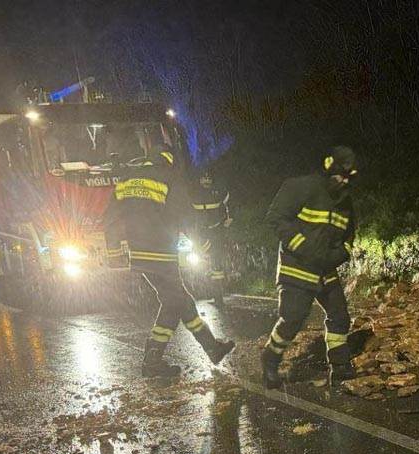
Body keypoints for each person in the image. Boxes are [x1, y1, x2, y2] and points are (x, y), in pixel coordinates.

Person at [111, 137, 234, 378]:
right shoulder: (169, 177)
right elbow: (184, 215)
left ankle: (212, 348)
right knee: (174, 301)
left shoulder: (125, 179)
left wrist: (115, 251)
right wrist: (202, 242)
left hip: (138, 254)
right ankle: (153, 360)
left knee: (179, 300)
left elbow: (111, 217)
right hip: (162, 252)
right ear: (168, 160)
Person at [260, 146, 358, 389]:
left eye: (347, 178)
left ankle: (340, 366)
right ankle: (270, 359)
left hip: (325, 270)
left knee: (339, 315)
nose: (343, 181)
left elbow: (349, 237)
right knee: (292, 318)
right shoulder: (301, 187)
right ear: (327, 168)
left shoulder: (345, 203)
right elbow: (275, 218)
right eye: (339, 175)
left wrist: (339, 255)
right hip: (297, 268)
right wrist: (303, 247)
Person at [189, 170, 231, 304]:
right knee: (197, 261)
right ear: (199, 180)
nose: (206, 181)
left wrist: (228, 220)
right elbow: (187, 214)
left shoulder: (219, 193)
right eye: (204, 179)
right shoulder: (193, 194)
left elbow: (228, 207)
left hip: (215, 231)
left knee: (216, 264)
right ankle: (201, 291)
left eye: (208, 179)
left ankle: (218, 295)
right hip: (200, 233)